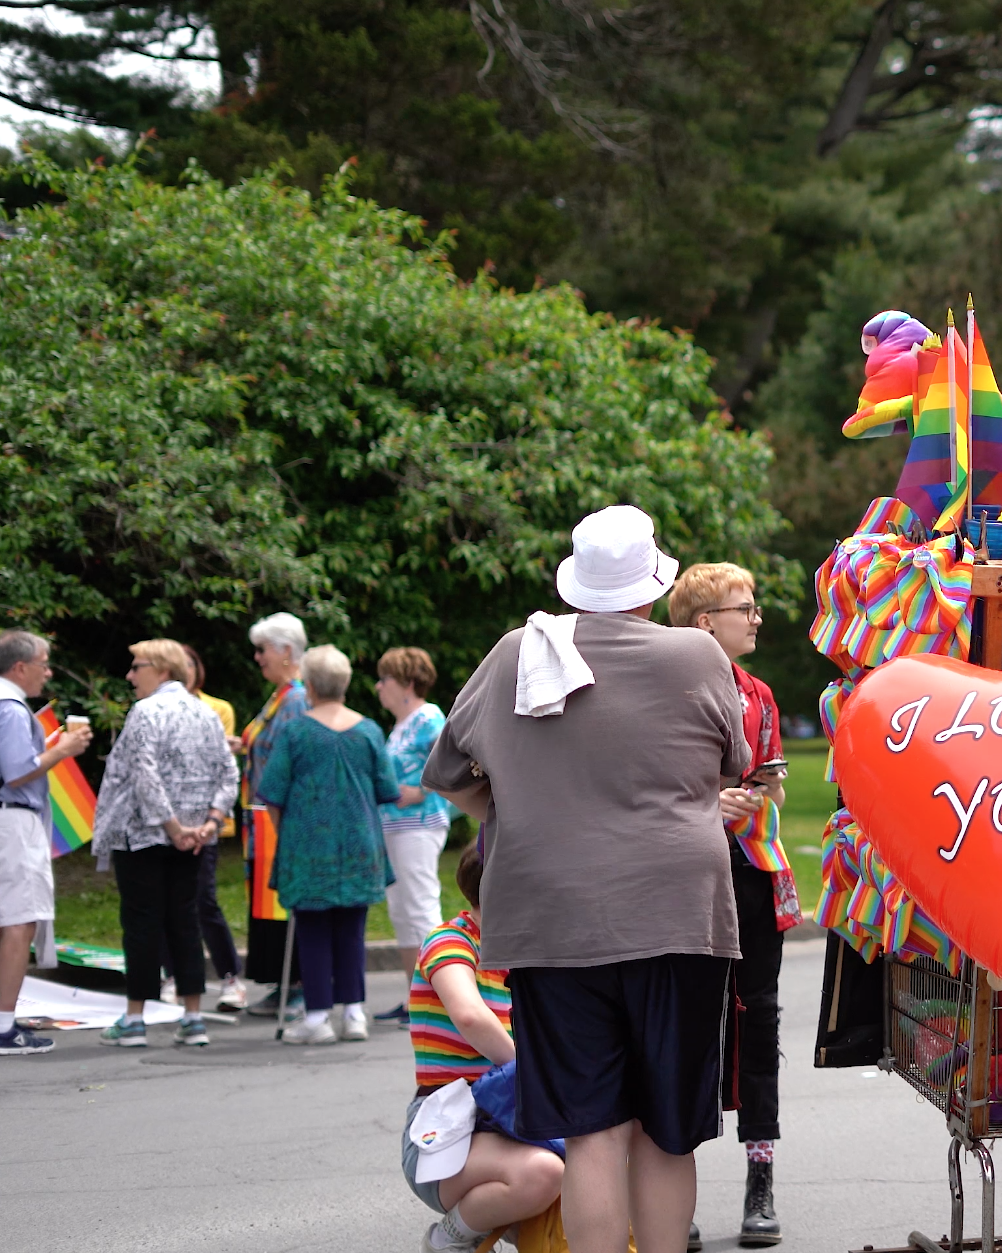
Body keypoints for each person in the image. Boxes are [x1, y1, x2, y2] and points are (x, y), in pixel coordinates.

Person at [422, 505, 751, 1253]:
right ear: (650, 582)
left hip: (553, 922)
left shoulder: (515, 654)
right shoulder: (696, 656)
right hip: (678, 916)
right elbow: (729, 760)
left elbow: (445, 772)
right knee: (667, 1133)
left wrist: (512, 806)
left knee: (591, 1130)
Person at [671, 561, 794, 1248]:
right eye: (744, 607)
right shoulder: (667, 688)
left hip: (749, 875)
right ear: (704, 623)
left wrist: (752, 792)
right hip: (683, 878)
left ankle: (760, 1179)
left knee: (759, 1026)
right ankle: (672, 1190)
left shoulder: (761, 694)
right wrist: (704, 802)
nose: (756, 618)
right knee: (685, 1029)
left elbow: (770, 779)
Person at [404, 847, 565, 1253]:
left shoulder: (527, 952)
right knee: (544, 1172)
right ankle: (449, 1239)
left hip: (513, 1116)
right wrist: (535, 1074)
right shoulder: (451, 941)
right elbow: (470, 1016)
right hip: (447, 1129)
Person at [91, 640, 238, 1048]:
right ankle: (193, 1018)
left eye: (137, 666)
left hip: (143, 835)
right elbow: (229, 772)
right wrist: (209, 822)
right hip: (193, 836)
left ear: (161, 669)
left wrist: (172, 826)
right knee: (184, 922)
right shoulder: (206, 713)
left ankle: (135, 1019)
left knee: (141, 923)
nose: (130, 675)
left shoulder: (145, 712)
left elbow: (144, 774)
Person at [258, 644, 397, 1045]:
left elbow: (273, 793)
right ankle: (354, 1013)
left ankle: (317, 1016)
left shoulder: (296, 731)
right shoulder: (368, 729)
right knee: (353, 928)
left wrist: (287, 835)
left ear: (311, 686)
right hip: (359, 843)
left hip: (308, 846)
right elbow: (386, 788)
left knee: (313, 928)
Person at [0, 630, 95, 1057]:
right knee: (20, 920)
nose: (48, 671)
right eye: (43, 662)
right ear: (20, 667)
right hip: (14, 822)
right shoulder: (13, 709)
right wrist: (64, 749)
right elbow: (17, 772)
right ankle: (3, 1025)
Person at [238, 612, 313, 1018]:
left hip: (279, 818)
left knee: (283, 902)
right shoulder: (280, 695)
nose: (257, 657)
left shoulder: (296, 699)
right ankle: (284, 984)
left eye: (263, 649)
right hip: (264, 818)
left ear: (286, 651)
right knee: (271, 904)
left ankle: (297, 984)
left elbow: (294, 758)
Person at [375, 648, 451, 1028]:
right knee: (402, 910)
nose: (378, 687)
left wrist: (421, 790)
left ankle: (438, 999)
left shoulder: (428, 717)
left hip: (419, 825)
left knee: (420, 905)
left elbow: (452, 757)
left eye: (384, 679)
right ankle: (413, 998)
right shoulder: (401, 724)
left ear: (406, 683)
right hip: (395, 828)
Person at [178, 644, 247, 1012]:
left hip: (206, 821)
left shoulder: (217, 708)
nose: (184, 670)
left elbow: (215, 758)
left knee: (203, 900)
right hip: (167, 823)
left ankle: (231, 977)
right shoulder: (152, 710)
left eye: (191, 663)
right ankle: (172, 977)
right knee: (167, 903)